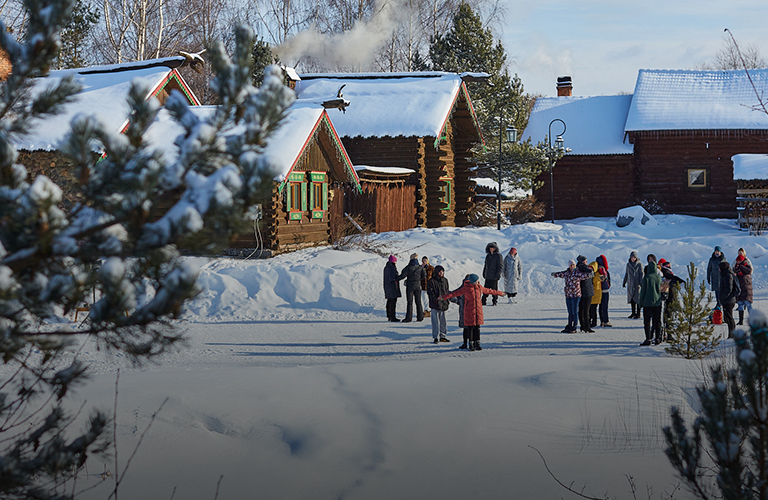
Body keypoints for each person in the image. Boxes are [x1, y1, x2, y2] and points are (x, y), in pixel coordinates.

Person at [442, 274, 503, 351]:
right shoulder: (466, 288)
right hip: (469, 311)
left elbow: (489, 291)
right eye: (477, 280)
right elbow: (454, 294)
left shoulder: (479, 287)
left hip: (478, 312)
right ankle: (470, 344)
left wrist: (500, 293)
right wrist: (443, 297)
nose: (478, 281)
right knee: (470, 328)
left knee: (477, 328)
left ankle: (477, 343)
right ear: (473, 281)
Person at [551, 259, 592, 333]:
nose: (572, 266)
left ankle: (574, 327)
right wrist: (555, 274)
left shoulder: (577, 273)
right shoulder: (567, 273)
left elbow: (584, 276)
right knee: (570, 312)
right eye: (570, 265)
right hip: (568, 295)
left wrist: (589, 274)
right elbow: (561, 274)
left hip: (576, 295)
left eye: (573, 265)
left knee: (574, 311)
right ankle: (569, 325)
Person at [659, 260, 685, 340]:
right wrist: (680, 280)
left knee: (667, 317)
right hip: (668, 298)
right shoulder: (666, 272)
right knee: (667, 317)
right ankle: (667, 335)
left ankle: (665, 335)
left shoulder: (665, 273)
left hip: (669, 298)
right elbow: (672, 278)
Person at [639, 262, 662, 345]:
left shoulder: (646, 278)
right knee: (657, 321)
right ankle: (657, 338)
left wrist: (640, 303)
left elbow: (643, 292)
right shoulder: (659, 278)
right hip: (657, 302)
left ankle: (648, 338)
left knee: (647, 322)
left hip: (647, 303)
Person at [398, 253, 426, 322]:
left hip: (410, 286)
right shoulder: (420, 268)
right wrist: (418, 279)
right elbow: (424, 276)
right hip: (418, 286)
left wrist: (395, 278)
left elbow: (402, 276)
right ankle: (420, 317)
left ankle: (408, 318)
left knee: (409, 302)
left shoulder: (407, 267)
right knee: (418, 302)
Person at [427, 265, 450, 343]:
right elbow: (430, 292)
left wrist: (446, 300)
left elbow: (447, 291)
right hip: (435, 304)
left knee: (443, 321)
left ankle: (443, 335)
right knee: (435, 322)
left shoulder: (445, 280)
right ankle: (435, 336)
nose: (441, 273)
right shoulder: (431, 281)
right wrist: (435, 300)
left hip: (443, 304)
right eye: (440, 272)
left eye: (442, 272)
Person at [719, 261, 740, 339]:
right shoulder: (725, 274)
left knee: (729, 318)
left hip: (728, 300)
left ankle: (732, 335)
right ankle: (731, 334)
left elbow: (728, 289)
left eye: (720, 267)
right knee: (727, 318)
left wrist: (722, 297)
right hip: (728, 300)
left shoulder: (727, 275)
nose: (719, 269)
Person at [733, 248, 753, 325]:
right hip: (740, 289)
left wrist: (741, 267)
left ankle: (753, 320)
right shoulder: (736, 267)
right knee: (740, 305)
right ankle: (740, 320)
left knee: (748, 305)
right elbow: (733, 270)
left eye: (739, 261)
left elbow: (749, 271)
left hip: (746, 288)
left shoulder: (747, 265)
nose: (738, 262)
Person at [576, 255, 595, 333]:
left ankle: (583, 326)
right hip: (586, 292)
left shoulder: (577, 268)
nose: (586, 262)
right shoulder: (583, 268)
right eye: (585, 261)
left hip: (581, 291)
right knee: (586, 310)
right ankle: (586, 327)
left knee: (581, 310)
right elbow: (590, 271)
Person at [482, 242, 503, 306]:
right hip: (488, 275)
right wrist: (484, 272)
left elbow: (500, 266)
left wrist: (498, 274)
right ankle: (483, 301)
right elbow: (486, 265)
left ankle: (494, 301)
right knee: (485, 289)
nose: (491, 249)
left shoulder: (498, 256)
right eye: (490, 248)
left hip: (494, 276)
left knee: (494, 290)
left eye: (493, 248)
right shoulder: (488, 256)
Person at [623, 251, 643, 319]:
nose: (633, 259)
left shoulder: (639, 264)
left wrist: (641, 282)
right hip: (631, 284)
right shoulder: (628, 265)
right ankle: (633, 313)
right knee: (632, 300)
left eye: (634, 257)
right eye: (632, 257)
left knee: (637, 299)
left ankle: (638, 313)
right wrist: (624, 281)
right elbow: (627, 274)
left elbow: (641, 274)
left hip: (637, 284)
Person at [383, 255, 402, 322]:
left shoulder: (387, 267)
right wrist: (396, 282)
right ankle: (392, 317)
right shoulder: (391, 268)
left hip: (387, 287)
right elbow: (392, 278)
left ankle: (389, 316)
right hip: (392, 287)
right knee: (393, 302)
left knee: (389, 301)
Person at [596, 255, 612, 327]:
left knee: (600, 307)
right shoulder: (603, 270)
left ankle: (602, 321)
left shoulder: (596, 271)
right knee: (604, 306)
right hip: (604, 291)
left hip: (598, 291)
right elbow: (608, 280)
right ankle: (605, 321)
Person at [589, 261, 603, 328]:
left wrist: (603, 278)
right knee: (589, 310)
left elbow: (601, 278)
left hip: (596, 295)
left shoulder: (597, 274)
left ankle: (594, 322)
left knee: (593, 310)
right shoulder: (589, 274)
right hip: (591, 294)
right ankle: (590, 322)